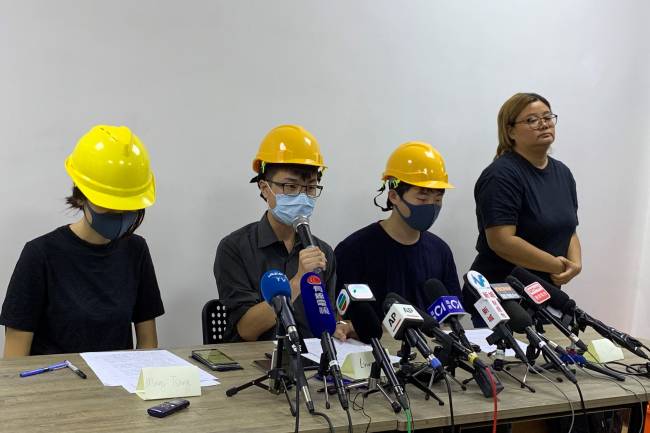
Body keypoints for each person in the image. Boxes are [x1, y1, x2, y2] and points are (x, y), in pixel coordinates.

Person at [1, 125, 165, 357]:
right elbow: (14, 361)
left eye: (127, 204)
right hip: (56, 388)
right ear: (81, 197)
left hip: (118, 387)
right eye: (108, 203)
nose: (119, 213)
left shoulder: (135, 250)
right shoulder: (40, 255)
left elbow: (148, 346)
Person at [214, 124, 348, 342]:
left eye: (311, 187)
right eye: (290, 187)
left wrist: (337, 327)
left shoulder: (322, 252)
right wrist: (297, 281)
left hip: (313, 367)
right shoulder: (235, 247)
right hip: (256, 366)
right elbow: (246, 330)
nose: (303, 197)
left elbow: (327, 321)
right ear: (264, 188)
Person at [465, 92, 580, 324]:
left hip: (544, 294)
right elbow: (502, 242)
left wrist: (575, 265)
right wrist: (557, 265)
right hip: (503, 296)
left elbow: (569, 227)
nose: (543, 123)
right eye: (531, 120)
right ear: (510, 132)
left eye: (547, 117)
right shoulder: (501, 176)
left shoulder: (563, 173)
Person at [335, 141, 460, 319]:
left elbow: (451, 318)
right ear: (394, 196)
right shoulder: (354, 250)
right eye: (422, 198)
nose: (431, 206)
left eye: (438, 199)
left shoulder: (440, 251)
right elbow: (340, 317)